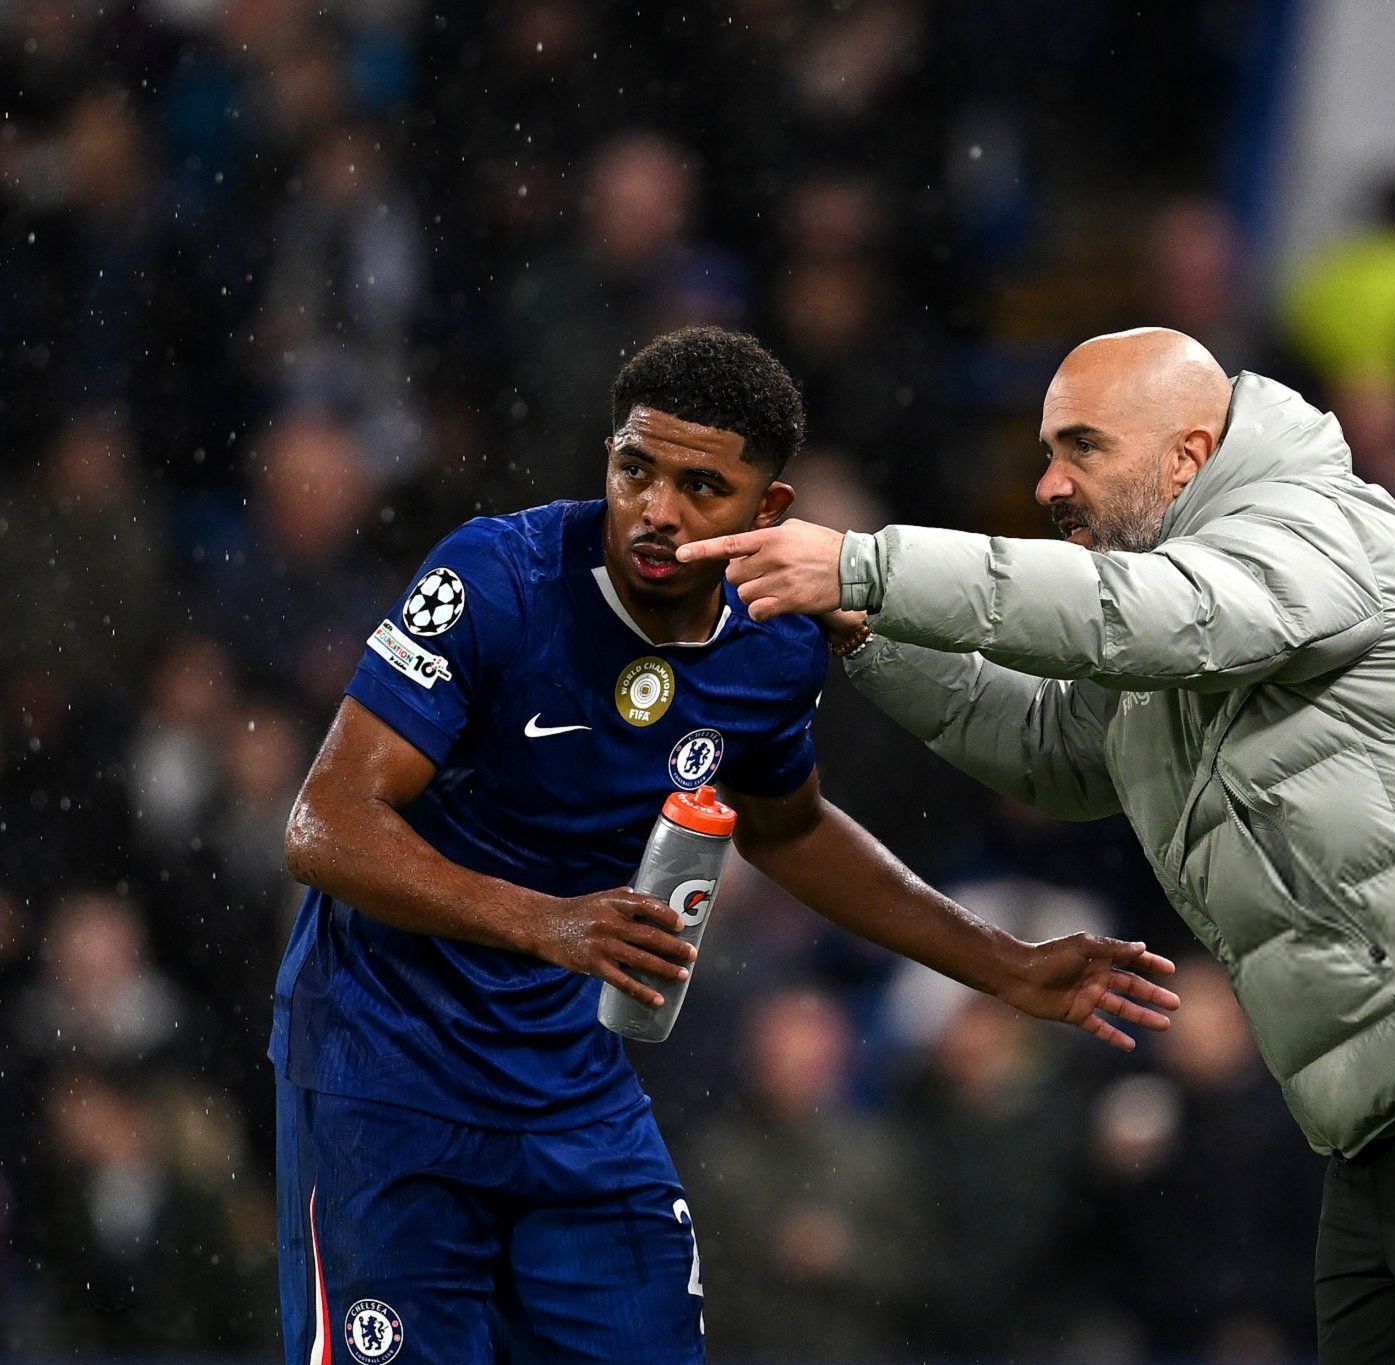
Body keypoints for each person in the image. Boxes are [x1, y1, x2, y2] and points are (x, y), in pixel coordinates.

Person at [681, 327, 1395, 1362]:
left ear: (1186, 457)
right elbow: (1047, 746)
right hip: (1386, 1094)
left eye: (1083, 448)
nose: (1050, 482)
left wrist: (866, 563)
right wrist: (859, 628)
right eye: (1046, 450)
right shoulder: (1173, 600)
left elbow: (1154, 619)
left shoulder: (1308, 522)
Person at [271, 326, 1178, 1363]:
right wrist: (547, 922)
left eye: (701, 486)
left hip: (567, 1079)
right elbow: (324, 824)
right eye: (634, 470)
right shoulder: (493, 578)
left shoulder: (774, 637)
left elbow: (789, 831)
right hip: (384, 1069)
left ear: (768, 510)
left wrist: (1004, 966)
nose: (657, 511)